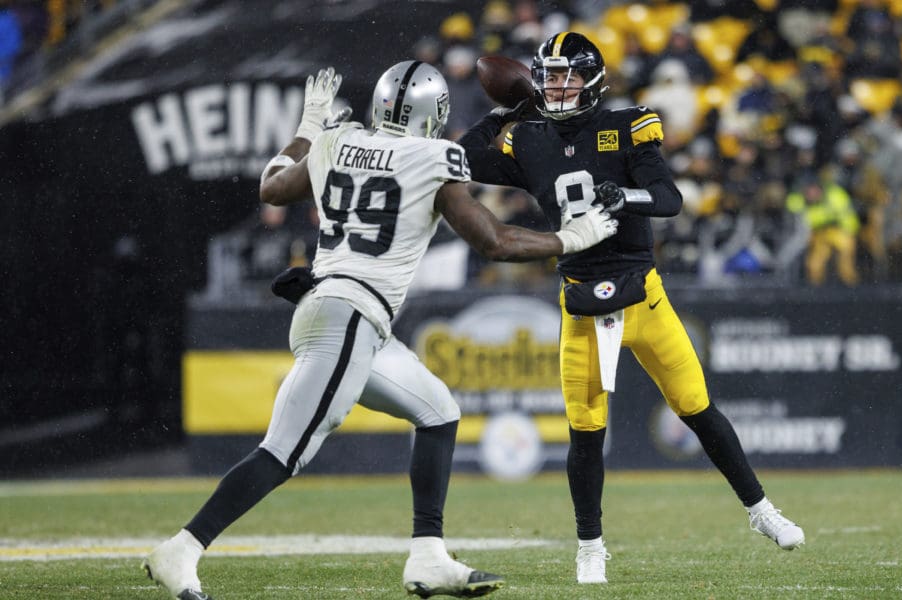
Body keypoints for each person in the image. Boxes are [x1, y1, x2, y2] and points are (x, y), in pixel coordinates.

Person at [142, 63, 618, 600]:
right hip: (348, 314)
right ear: (433, 114)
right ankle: (181, 549)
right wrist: (569, 238)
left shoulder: (335, 140)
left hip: (342, 313)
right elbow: (495, 242)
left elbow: (272, 187)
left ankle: (428, 556)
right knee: (285, 450)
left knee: (439, 412)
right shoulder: (434, 157)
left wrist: (308, 126)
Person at [458, 32, 805, 586]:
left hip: (642, 293)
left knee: (697, 406)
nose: (555, 86)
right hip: (581, 301)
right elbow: (466, 160)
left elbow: (668, 198)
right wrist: (504, 110)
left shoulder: (627, 125)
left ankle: (761, 511)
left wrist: (628, 196)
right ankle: (590, 546)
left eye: (567, 74)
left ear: (594, 79)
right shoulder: (527, 138)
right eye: (547, 76)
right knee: (586, 430)